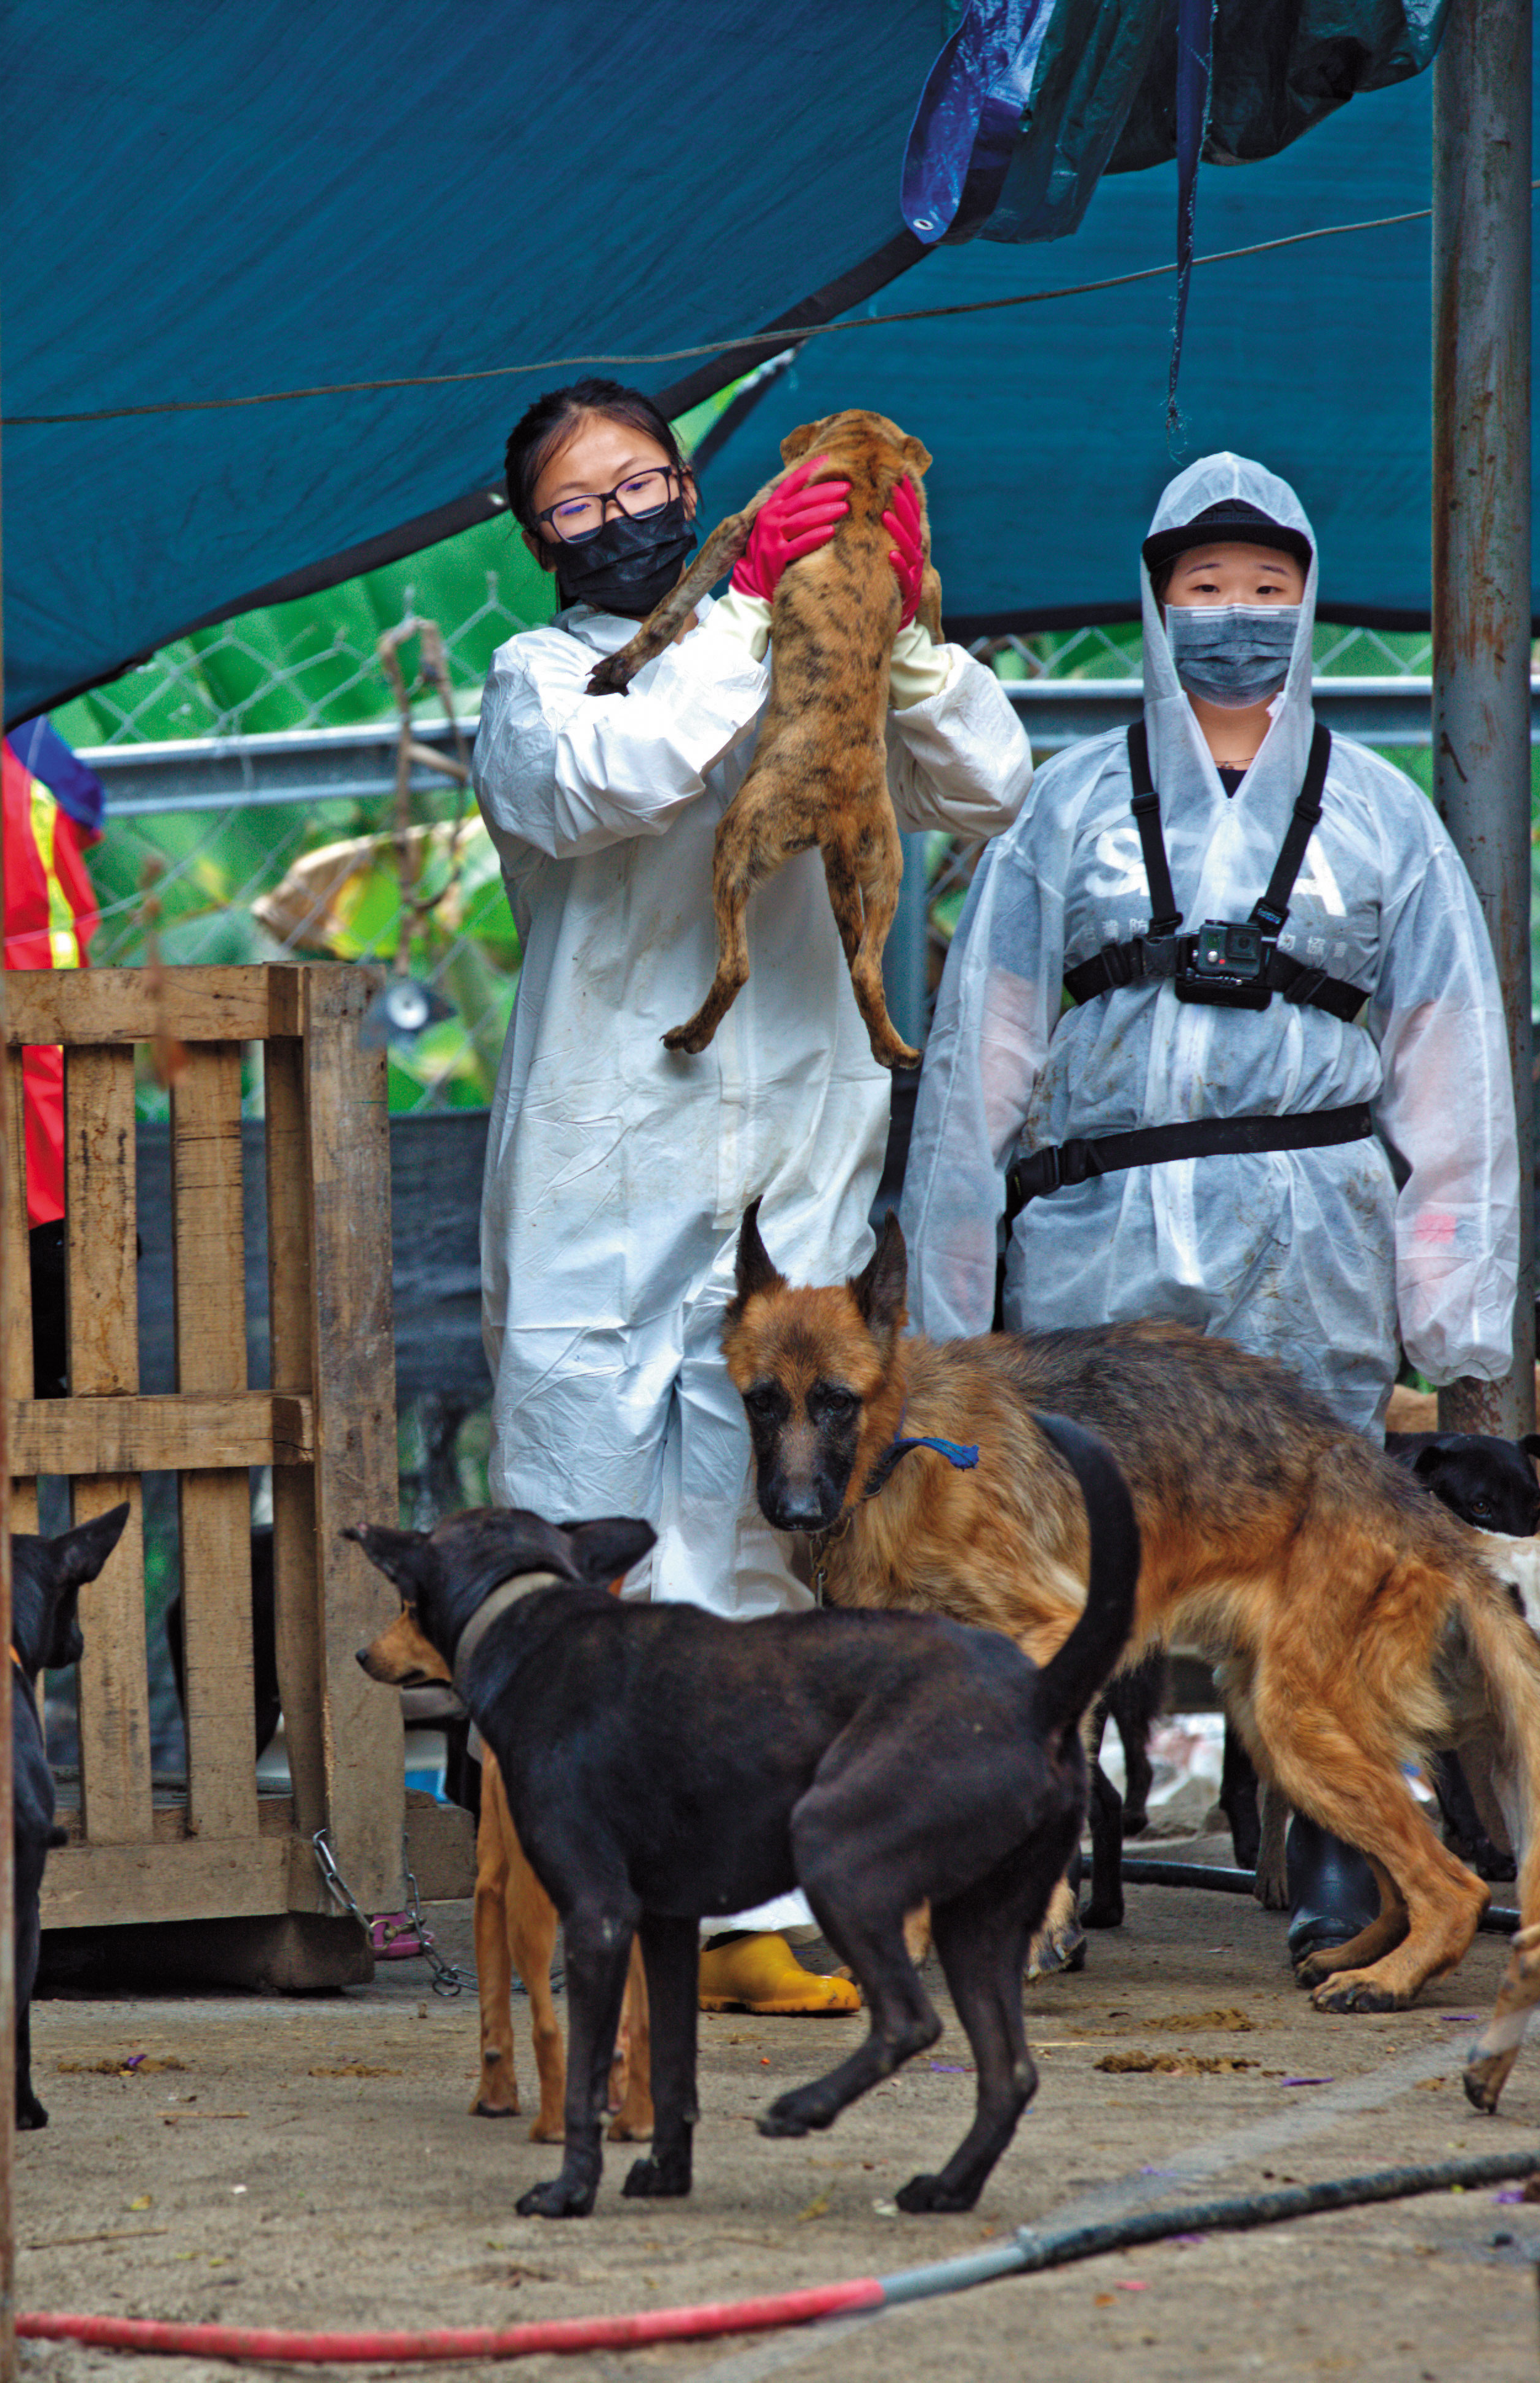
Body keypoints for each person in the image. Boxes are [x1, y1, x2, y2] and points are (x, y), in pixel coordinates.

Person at [900, 454, 1518, 1959]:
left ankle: (1339, 1841)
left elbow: (1451, 1069)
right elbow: (980, 1059)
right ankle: (1040, 1845)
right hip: (1100, 1236)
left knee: (1316, 1536)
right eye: (1205, 590)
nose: (1237, 616)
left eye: (1266, 589)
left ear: (1307, 601)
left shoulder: (1383, 818)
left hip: (1311, 1229)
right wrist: (945, 1310)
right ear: (1156, 603)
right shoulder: (1065, 812)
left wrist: (1455, 1310)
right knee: (1064, 1540)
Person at [472, 378, 1033, 2014]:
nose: (618, 518)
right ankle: (587, 1916)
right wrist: (751, 610)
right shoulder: (538, 683)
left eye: (642, 481)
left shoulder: (816, 658)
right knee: (587, 1535)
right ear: (533, 536)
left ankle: (754, 1918)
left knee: (764, 1527)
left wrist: (894, 629)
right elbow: (616, 776)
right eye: (578, 502)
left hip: (791, 1158)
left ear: (692, 482)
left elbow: (991, 780)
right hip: (599, 1162)